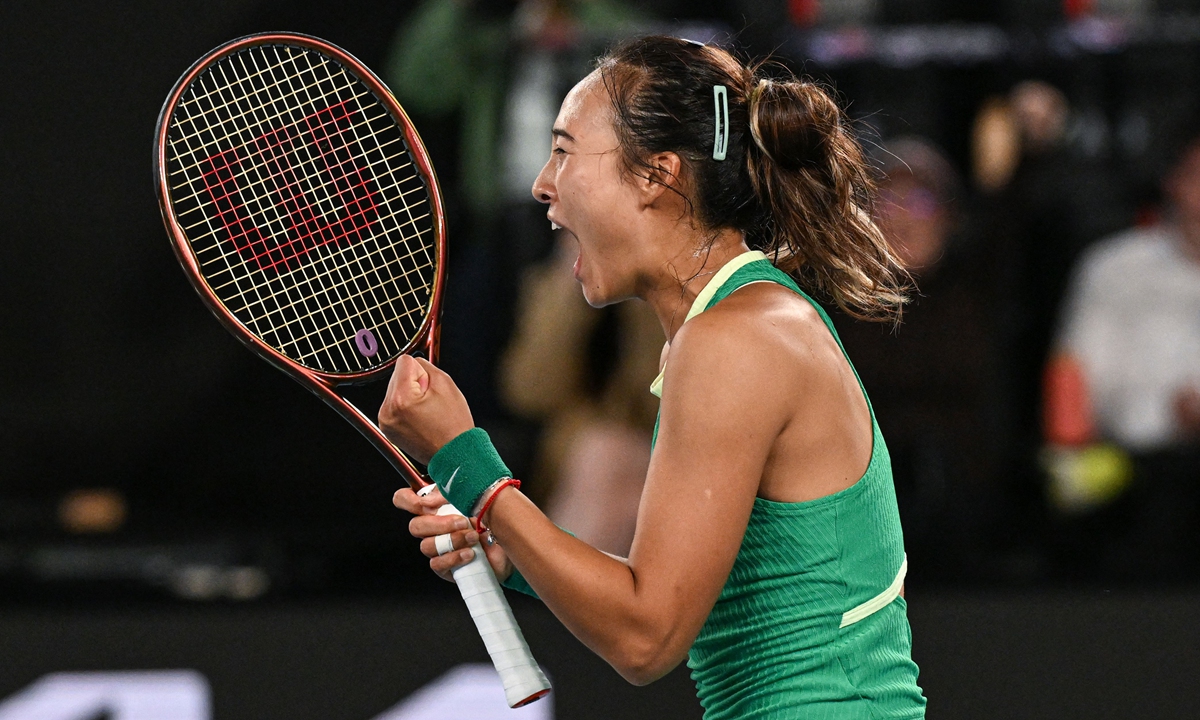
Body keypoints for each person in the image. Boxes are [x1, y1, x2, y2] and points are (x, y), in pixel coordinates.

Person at [380, 36, 927, 717]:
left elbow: (646, 638)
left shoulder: (736, 339)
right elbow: (668, 589)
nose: (542, 184)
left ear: (655, 175)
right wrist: (512, 551)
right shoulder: (739, 324)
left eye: (564, 151)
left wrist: (470, 465)